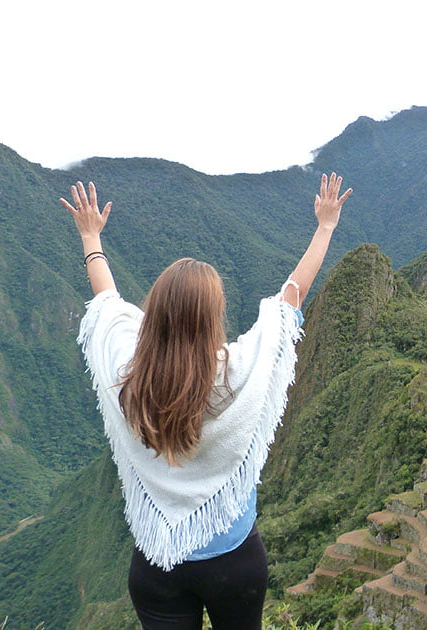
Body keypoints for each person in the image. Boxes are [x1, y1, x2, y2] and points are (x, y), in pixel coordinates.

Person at [62, 175, 351, 629]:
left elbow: (107, 305)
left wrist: (90, 237)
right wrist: (325, 227)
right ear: (214, 316)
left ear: (154, 312)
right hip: (232, 564)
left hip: (155, 566)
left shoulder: (129, 375)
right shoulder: (237, 373)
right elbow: (289, 300)